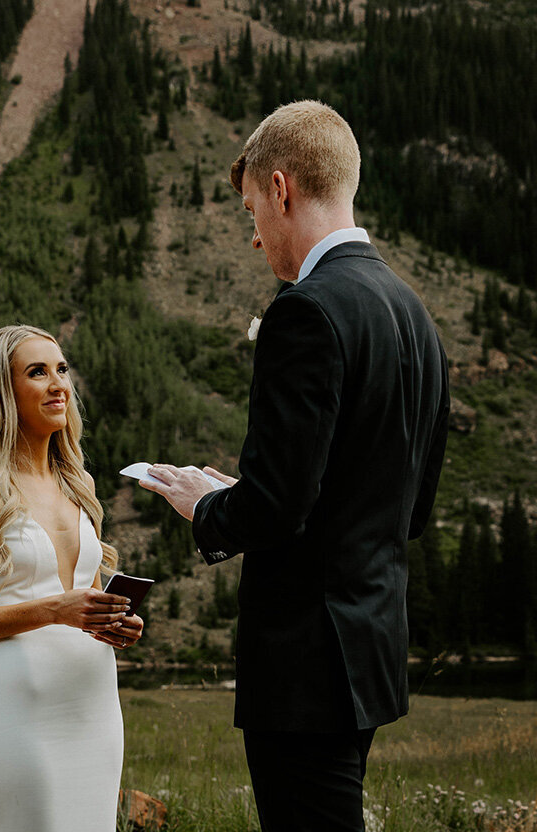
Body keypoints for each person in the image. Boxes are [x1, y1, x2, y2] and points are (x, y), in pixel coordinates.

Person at [141, 101, 450, 832]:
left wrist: (207, 506)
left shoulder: (305, 310)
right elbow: (412, 507)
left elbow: (280, 507)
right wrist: (261, 493)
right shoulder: (414, 314)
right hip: (369, 649)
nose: (253, 235)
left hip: (307, 663)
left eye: (252, 208)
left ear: (280, 189)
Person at [0, 324, 143, 832]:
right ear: (4, 390)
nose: (58, 384)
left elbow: (81, 600)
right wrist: (53, 611)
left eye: (61, 369)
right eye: (37, 372)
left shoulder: (79, 483)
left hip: (94, 706)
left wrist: (113, 622)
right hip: (17, 710)